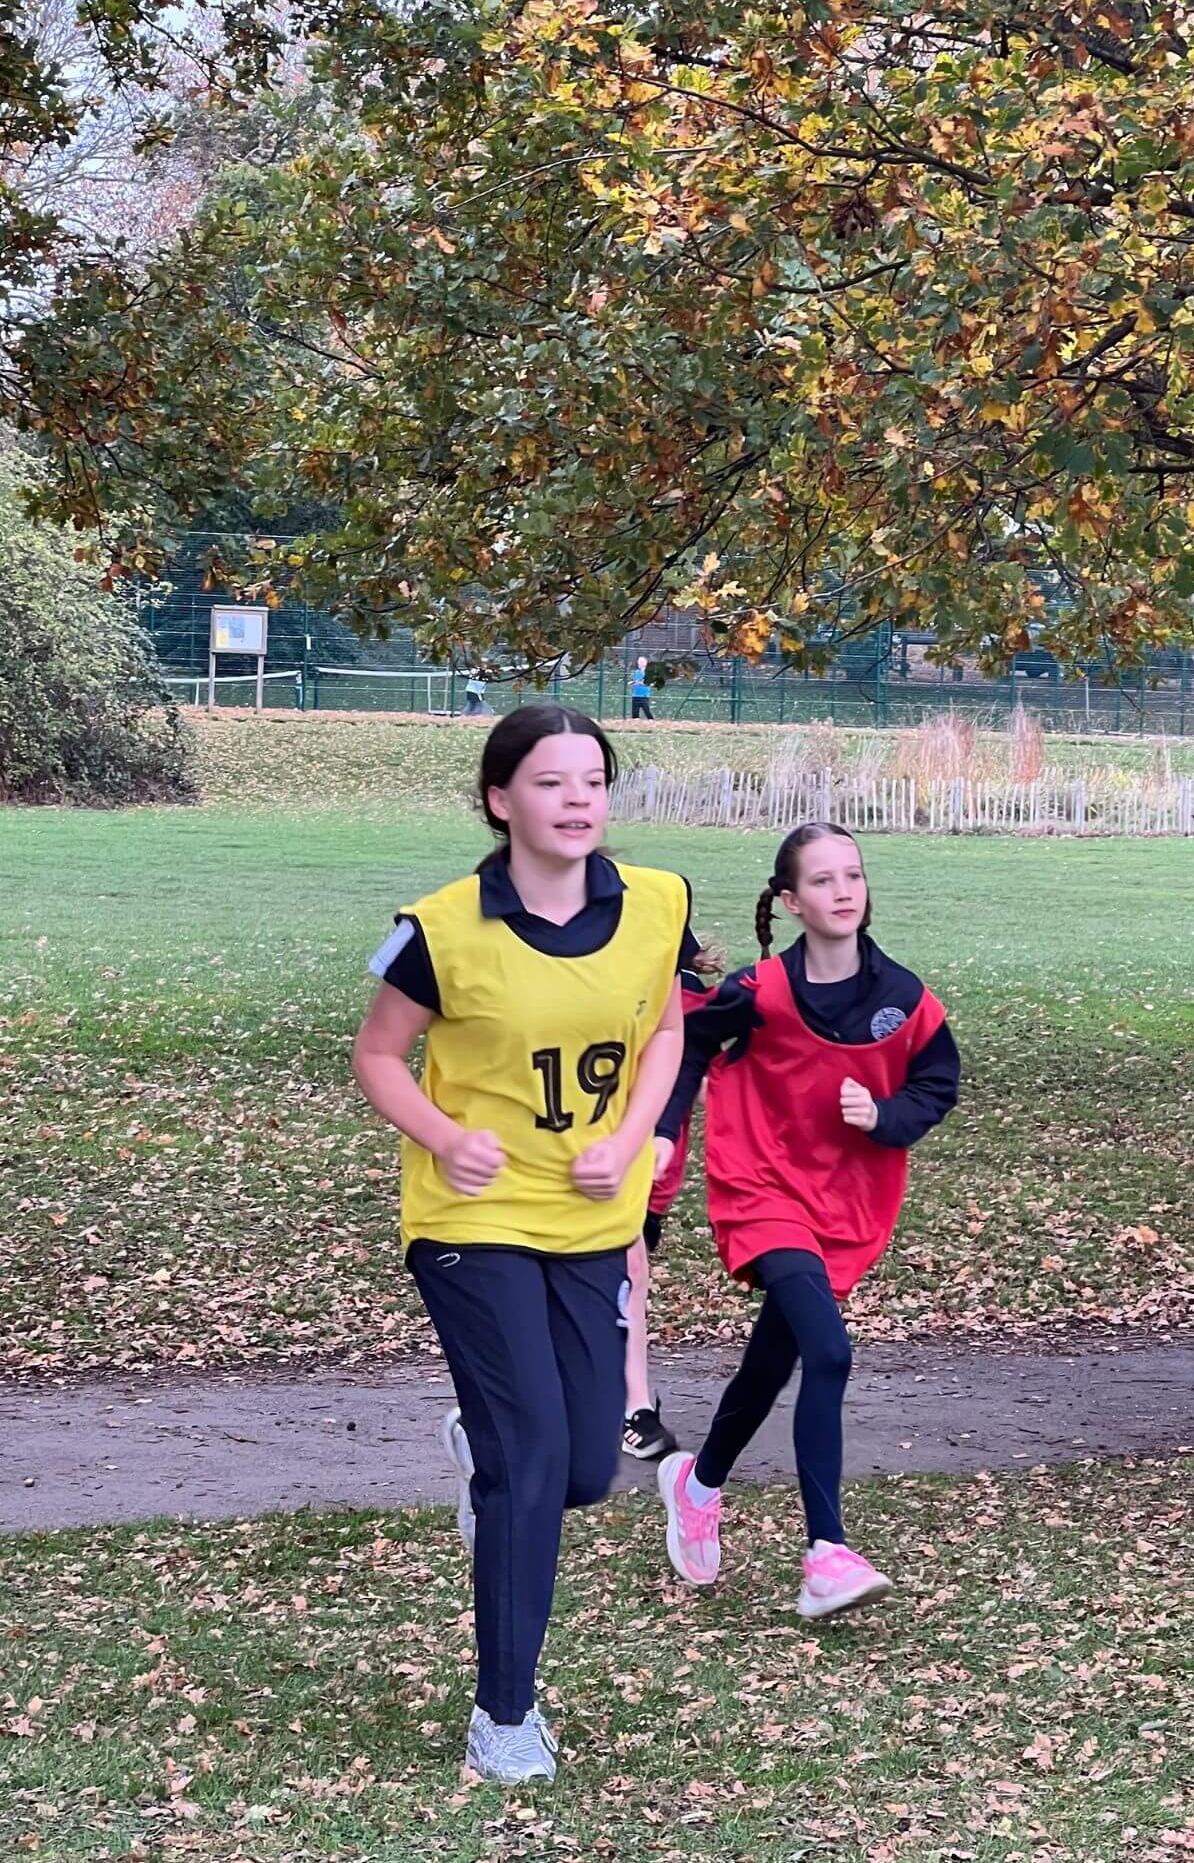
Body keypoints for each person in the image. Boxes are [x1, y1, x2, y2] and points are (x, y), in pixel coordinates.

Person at [352, 703, 688, 1785]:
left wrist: (633, 1135)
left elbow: (667, 1028)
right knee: (537, 1456)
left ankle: (485, 1449)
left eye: (593, 777)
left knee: (586, 1465)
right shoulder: (442, 928)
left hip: (593, 1216)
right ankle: (504, 1714)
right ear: (502, 799)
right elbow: (379, 1057)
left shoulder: (658, 904)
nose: (578, 797)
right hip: (471, 1221)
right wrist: (448, 1137)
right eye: (551, 781)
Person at [650, 822, 959, 1619]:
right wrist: (661, 1131)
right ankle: (827, 1553)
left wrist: (884, 1115)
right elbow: (684, 1048)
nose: (843, 890)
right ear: (789, 902)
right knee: (828, 1351)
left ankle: (699, 1480)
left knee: (772, 1359)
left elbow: (937, 1085)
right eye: (822, 881)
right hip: (762, 1189)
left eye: (852, 875)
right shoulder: (759, 993)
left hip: (846, 1205)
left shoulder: (903, 997)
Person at [621, 935, 724, 1462]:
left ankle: (621, 1402)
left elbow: (709, 1082)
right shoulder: (608, 985)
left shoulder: (692, 999)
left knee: (621, 1286)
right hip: (600, 1168)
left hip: (653, 1183)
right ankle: (633, 1407)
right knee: (627, 1273)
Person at [631, 655, 654, 721]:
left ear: (645, 663)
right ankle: (636, 723)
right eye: (638, 661)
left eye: (640, 662)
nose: (638, 663)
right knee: (635, 713)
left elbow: (649, 683)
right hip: (635, 695)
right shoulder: (636, 672)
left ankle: (651, 721)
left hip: (644, 696)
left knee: (647, 711)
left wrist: (640, 683)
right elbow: (636, 682)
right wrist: (633, 683)